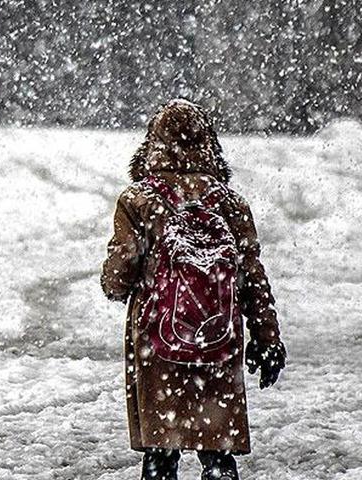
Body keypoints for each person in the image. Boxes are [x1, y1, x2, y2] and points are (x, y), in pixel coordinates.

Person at [101, 99, 286, 480]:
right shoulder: (230, 204)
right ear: (209, 145)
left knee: (160, 455)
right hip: (218, 339)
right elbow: (252, 276)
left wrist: (114, 284)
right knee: (217, 452)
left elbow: (121, 271)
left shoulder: (138, 201)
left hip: (158, 339)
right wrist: (267, 338)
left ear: (152, 145)